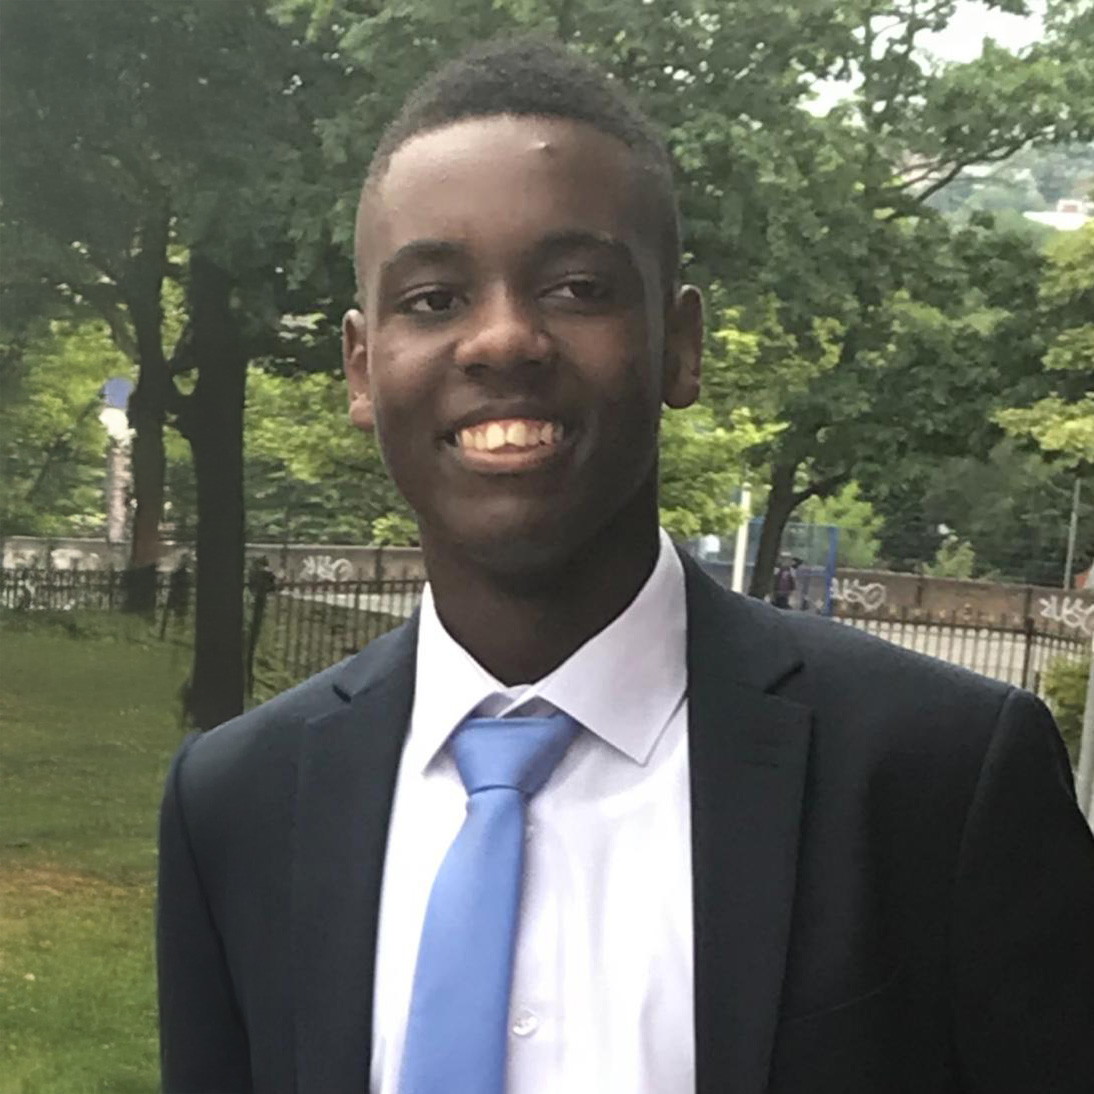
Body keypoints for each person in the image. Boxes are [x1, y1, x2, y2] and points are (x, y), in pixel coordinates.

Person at [156, 37, 1094, 1094]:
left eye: (574, 286)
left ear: (678, 343)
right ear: (362, 368)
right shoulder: (235, 804)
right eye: (431, 298)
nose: (502, 338)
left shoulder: (935, 776)